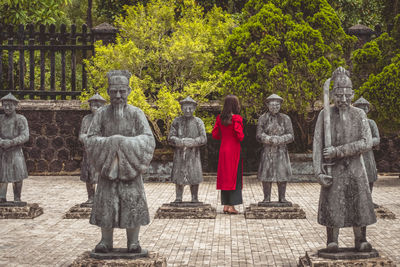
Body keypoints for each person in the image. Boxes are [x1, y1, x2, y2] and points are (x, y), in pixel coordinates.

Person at [85, 70, 155, 254]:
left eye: (122, 91)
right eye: (114, 91)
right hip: (108, 168)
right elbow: (91, 138)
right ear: (108, 91)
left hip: (130, 168)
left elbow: (148, 138)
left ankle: (133, 241)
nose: (118, 96)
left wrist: (124, 143)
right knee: (106, 203)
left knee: (132, 203)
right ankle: (105, 241)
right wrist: (111, 142)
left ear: (129, 91)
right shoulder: (101, 113)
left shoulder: (136, 113)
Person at [313, 67, 376, 252]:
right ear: (332, 94)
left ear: (352, 94)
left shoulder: (360, 115)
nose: (343, 99)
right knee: (332, 204)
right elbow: (317, 145)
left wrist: (338, 151)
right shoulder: (325, 114)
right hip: (333, 170)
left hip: (356, 168)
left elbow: (366, 143)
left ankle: (361, 239)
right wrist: (318, 172)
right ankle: (332, 240)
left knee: (359, 204)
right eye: (339, 95)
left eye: (347, 95)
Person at [256, 94, 294, 203]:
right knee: (266, 174)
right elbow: (259, 135)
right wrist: (269, 139)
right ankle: (266, 198)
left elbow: (291, 135)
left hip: (281, 151)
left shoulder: (286, 118)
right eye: (272, 105)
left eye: (277, 105)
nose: (275, 107)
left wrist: (280, 139)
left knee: (282, 174)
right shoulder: (262, 118)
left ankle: (282, 197)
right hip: (267, 150)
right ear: (267, 105)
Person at [168, 96, 207, 203]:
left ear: (194, 109)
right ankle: (178, 197)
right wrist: (180, 141)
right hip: (180, 153)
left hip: (193, 154)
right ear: (181, 108)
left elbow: (204, 138)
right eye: (185, 108)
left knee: (194, 175)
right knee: (179, 175)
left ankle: (195, 198)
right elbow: (170, 137)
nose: (188, 110)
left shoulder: (198, 122)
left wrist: (194, 142)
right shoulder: (176, 121)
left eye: (190, 108)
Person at [212, 95, 244, 214]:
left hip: (223, 149)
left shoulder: (220, 118)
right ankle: (231, 206)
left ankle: (225, 205)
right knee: (234, 177)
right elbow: (240, 136)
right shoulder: (237, 118)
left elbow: (215, 135)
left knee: (225, 177)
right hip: (234, 150)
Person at [0, 93, 29, 203]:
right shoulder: (0, 119)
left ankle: (17, 197)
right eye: (4, 105)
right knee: (2, 174)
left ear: (15, 105)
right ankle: (1, 197)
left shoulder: (21, 119)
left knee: (18, 174)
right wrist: (2, 142)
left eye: (10, 105)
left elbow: (25, 135)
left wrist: (12, 142)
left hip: (16, 151)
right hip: (2, 151)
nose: (7, 107)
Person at [79, 93, 107, 204]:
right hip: (89, 151)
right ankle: (91, 197)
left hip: (102, 152)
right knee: (89, 175)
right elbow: (81, 134)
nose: (94, 108)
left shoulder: (106, 119)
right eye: (92, 105)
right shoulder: (86, 119)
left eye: (97, 105)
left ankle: (103, 198)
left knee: (103, 175)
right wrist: (88, 139)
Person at [353, 97, 380, 206]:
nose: (363, 109)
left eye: (365, 107)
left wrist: (367, 142)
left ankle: (368, 201)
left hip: (368, 154)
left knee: (370, 176)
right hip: (355, 153)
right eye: (360, 107)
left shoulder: (371, 123)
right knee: (356, 178)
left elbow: (377, 138)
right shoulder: (352, 123)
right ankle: (356, 201)